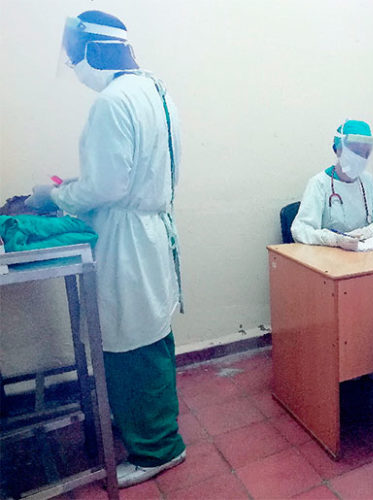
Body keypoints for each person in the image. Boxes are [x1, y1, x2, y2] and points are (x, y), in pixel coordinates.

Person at [26, 10, 186, 488]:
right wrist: (80, 186)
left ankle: (158, 449)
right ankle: (146, 425)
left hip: (127, 240)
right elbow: (126, 175)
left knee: (128, 342)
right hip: (149, 230)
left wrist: (54, 195)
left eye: (75, 54)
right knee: (151, 337)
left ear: (95, 49)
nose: (73, 64)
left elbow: (109, 184)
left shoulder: (114, 102)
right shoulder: (154, 91)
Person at [290, 119, 373, 250]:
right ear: (337, 150)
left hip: (363, 256)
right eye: (356, 152)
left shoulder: (368, 182)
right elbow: (300, 230)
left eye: (366, 153)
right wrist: (334, 239)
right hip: (328, 258)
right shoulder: (319, 183)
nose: (361, 158)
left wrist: (367, 232)